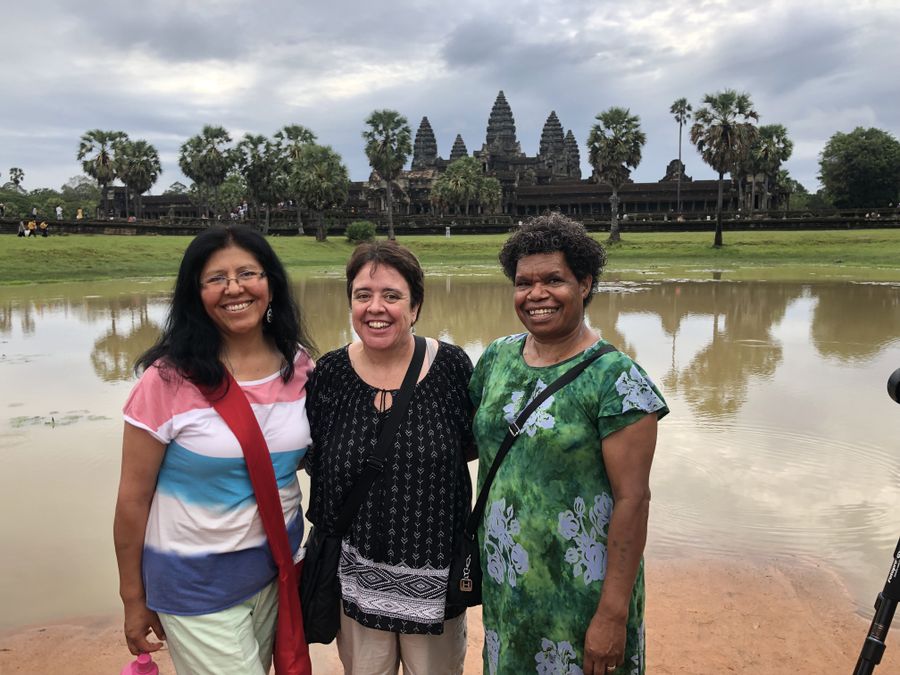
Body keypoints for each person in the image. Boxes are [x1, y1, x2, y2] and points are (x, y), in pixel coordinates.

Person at [113, 225, 316, 675]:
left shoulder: (300, 367)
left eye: (248, 273)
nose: (234, 289)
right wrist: (133, 598)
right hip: (194, 584)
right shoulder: (166, 381)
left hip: (276, 574)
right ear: (195, 294)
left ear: (271, 284)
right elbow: (132, 499)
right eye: (215, 279)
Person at [470, 213, 668, 675]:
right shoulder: (498, 358)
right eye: (523, 283)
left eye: (553, 280)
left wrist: (612, 615)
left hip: (584, 592)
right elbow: (471, 440)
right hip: (509, 584)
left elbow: (633, 500)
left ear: (585, 283)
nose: (536, 295)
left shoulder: (617, 380)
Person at [306, 240, 474, 675]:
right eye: (363, 295)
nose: (375, 307)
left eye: (391, 296)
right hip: (356, 582)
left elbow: (473, 447)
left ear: (415, 306)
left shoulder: (452, 368)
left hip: (435, 583)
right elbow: (313, 460)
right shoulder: (329, 374)